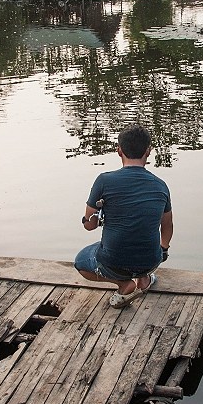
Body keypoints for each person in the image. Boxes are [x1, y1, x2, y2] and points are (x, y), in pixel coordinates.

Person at [74, 124, 173, 308]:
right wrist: (163, 250)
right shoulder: (161, 186)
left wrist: (91, 217)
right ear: (148, 151)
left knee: (80, 261)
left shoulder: (104, 181)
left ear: (119, 151)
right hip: (151, 260)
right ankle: (144, 278)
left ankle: (123, 284)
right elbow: (167, 226)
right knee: (141, 238)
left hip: (114, 263)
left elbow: (90, 225)